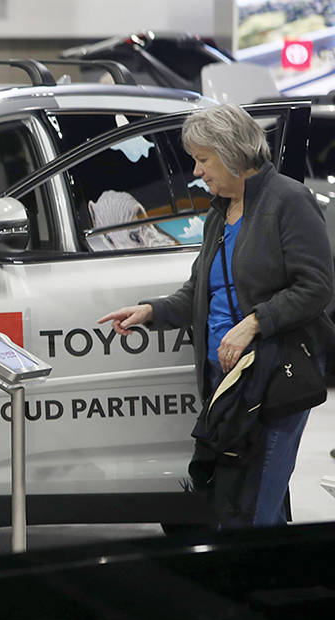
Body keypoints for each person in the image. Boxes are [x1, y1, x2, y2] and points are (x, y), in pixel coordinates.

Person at [98, 104, 335, 528]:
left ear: (232, 153)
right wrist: (151, 310)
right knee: (246, 504)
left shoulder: (288, 200)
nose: (197, 170)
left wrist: (252, 323)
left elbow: (317, 287)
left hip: (274, 378)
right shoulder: (219, 212)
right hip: (227, 383)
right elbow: (199, 293)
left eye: (203, 159)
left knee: (253, 510)